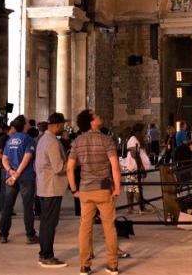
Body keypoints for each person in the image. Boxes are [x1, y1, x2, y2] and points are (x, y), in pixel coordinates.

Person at [67, 109, 122, 275]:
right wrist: (118, 188)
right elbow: (115, 166)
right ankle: (112, 265)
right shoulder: (106, 140)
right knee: (109, 227)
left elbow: (69, 168)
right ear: (92, 121)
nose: (99, 116)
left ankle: (84, 265)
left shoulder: (77, 142)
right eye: (96, 115)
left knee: (85, 228)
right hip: (104, 190)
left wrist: (74, 189)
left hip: (85, 190)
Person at [35, 113, 68, 268]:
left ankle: (44, 253)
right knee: (49, 223)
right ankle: (47, 255)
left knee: (45, 222)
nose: (64, 128)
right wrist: (73, 163)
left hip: (43, 185)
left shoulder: (42, 139)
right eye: (62, 125)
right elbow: (58, 167)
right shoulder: (52, 142)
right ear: (57, 125)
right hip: (52, 187)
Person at [0, 115, 37, 244]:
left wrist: (10, 172)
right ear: (25, 125)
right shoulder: (29, 139)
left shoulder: (10, 140)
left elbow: (4, 158)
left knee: (7, 206)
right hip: (25, 177)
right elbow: (27, 158)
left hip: (10, 178)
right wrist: (16, 175)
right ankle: (30, 235)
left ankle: (3, 234)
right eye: (27, 121)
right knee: (27, 207)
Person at [121, 124, 151, 214]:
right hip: (133, 167)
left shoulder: (137, 139)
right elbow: (134, 154)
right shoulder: (133, 139)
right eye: (144, 130)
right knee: (135, 188)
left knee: (133, 188)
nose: (146, 132)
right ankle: (140, 208)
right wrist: (141, 167)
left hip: (134, 167)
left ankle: (132, 208)